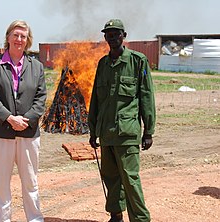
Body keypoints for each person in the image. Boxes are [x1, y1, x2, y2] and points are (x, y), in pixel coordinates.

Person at [88, 19, 156, 222]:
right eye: (109, 34)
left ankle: (140, 219)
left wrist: (148, 131)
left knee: (130, 179)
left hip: (127, 133)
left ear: (123, 36)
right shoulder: (103, 64)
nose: (112, 37)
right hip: (106, 133)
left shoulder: (138, 61)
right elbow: (95, 100)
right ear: (105, 37)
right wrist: (93, 131)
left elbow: (146, 96)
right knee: (110, 177)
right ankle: (116, 215)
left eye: (116, 33)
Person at [0, 20, 46, 222]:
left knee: (30, 181)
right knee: (1, 182)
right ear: (8, 37)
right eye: (16, 35)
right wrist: (10, 119)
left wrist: (26, 120)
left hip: (28, 133)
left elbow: (41, 98)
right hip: (0, 133)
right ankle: (2, 219)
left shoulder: (37, 67)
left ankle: (35, 218)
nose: (19, 39)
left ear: (28, 41)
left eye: (23, 36)